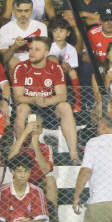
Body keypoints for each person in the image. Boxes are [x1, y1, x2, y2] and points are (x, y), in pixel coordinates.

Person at [12, 36, 80, 164]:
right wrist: (33, 100)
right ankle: (21, 155)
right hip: (30, 108)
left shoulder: (55, 67)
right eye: (31, 48)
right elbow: (18, 97)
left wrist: (46, 101)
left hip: (49, 107)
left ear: (46, 53)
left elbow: (62, 95)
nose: (32, 52)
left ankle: (74, 154)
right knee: (22, 108)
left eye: (37, 49)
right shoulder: (20, 68)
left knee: (65, 107)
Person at [7, 114, 59, 222]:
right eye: (30, 126)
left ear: (41, 130)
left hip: (39, 183)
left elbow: (46, 169)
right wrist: (25, 133)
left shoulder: (45, 148)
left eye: (37, 127)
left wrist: (35, 145)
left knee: (50, 180)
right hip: (21, 183)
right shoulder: (19, 147)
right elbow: (10, 159)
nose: (33, 130)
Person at [0, 0, 49, 71]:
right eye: (19, 11)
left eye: (26, 11)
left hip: (36, 60)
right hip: (15, 63)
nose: (23, 14)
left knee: (50, 59)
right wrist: (14, 47)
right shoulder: (5, 29)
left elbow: (44, 53)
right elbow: (3, 60)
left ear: (31, 11)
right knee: (13, 61)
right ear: (13, 11)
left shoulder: (41, 27)